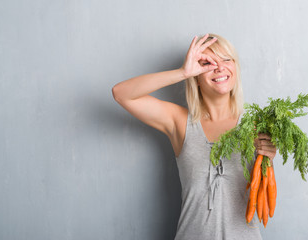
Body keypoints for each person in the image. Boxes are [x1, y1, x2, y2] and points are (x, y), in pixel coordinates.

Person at [112, 33, 277, 240]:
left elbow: (262, 195)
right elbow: (121, 93)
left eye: (227, 59)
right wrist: (182, 72)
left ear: (235, 68)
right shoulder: (180, 122)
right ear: (196, 78)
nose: (219, 67)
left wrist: (267, 160)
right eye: (208, 63)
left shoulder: (256, 126)